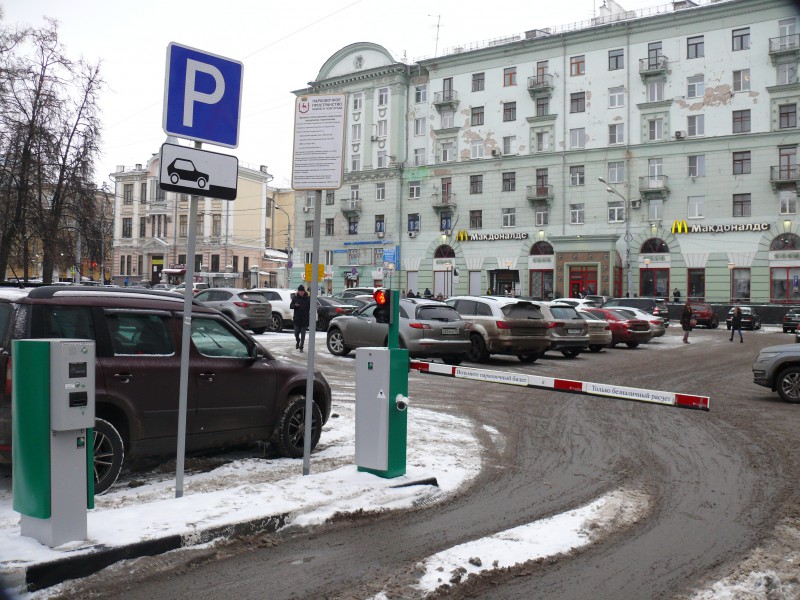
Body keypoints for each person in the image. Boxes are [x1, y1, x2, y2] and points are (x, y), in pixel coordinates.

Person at [290, 284, 311, 352]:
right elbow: (291, 306)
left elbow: (311, 306)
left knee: (303, 334)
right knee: (296, 333)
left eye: (302, 291)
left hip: (305, 319)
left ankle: (301, 346)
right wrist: (295, 305)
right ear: (298, 291)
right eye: (300, 291)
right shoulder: (295, 298)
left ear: (304, 291)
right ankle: (298, 341)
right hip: (297, 319)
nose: (301, 292)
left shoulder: (308, 298)